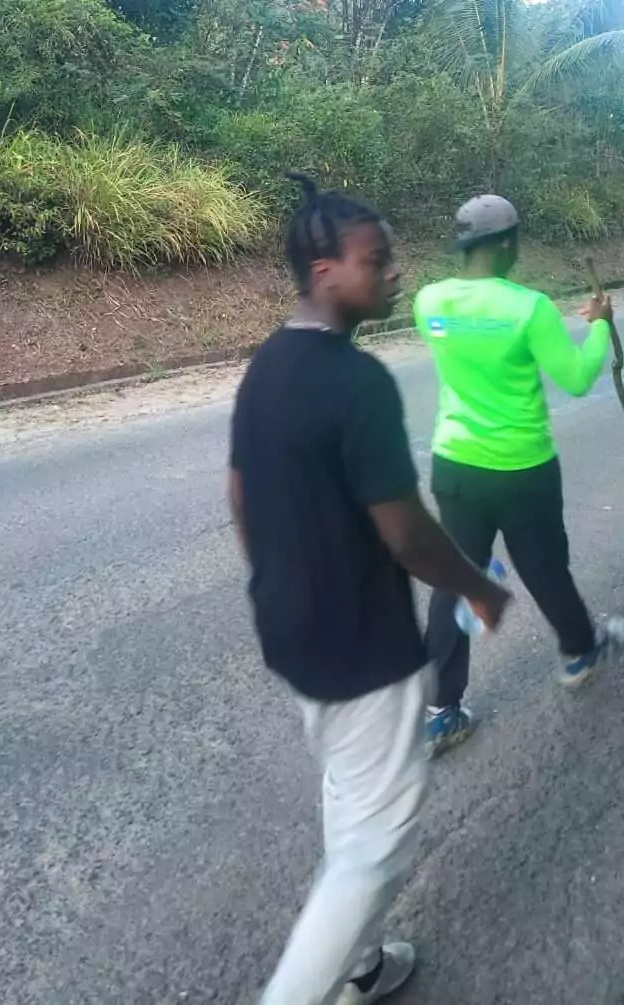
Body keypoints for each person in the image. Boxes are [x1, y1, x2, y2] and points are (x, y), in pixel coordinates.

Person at [228, 174, 511, 1005]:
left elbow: (241, 494)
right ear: (325, 272)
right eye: (375, 259)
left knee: (349, 787)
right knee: (375, 845)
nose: (393, 271)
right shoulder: (358, 383)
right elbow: (407, 533)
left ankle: (361, 964)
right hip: (361, 645)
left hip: (289, 627)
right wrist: (479, 590)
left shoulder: (268, 363)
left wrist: (274, 580)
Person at [414, 194, 624, 756]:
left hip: (456, 464)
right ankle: (579, 650)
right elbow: (577, 378)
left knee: (455, 579)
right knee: (543, 565)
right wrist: (600, 327)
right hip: (522, 468)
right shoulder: (529, 308)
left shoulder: (429, 301)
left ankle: (442, 711)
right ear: (508, 243)